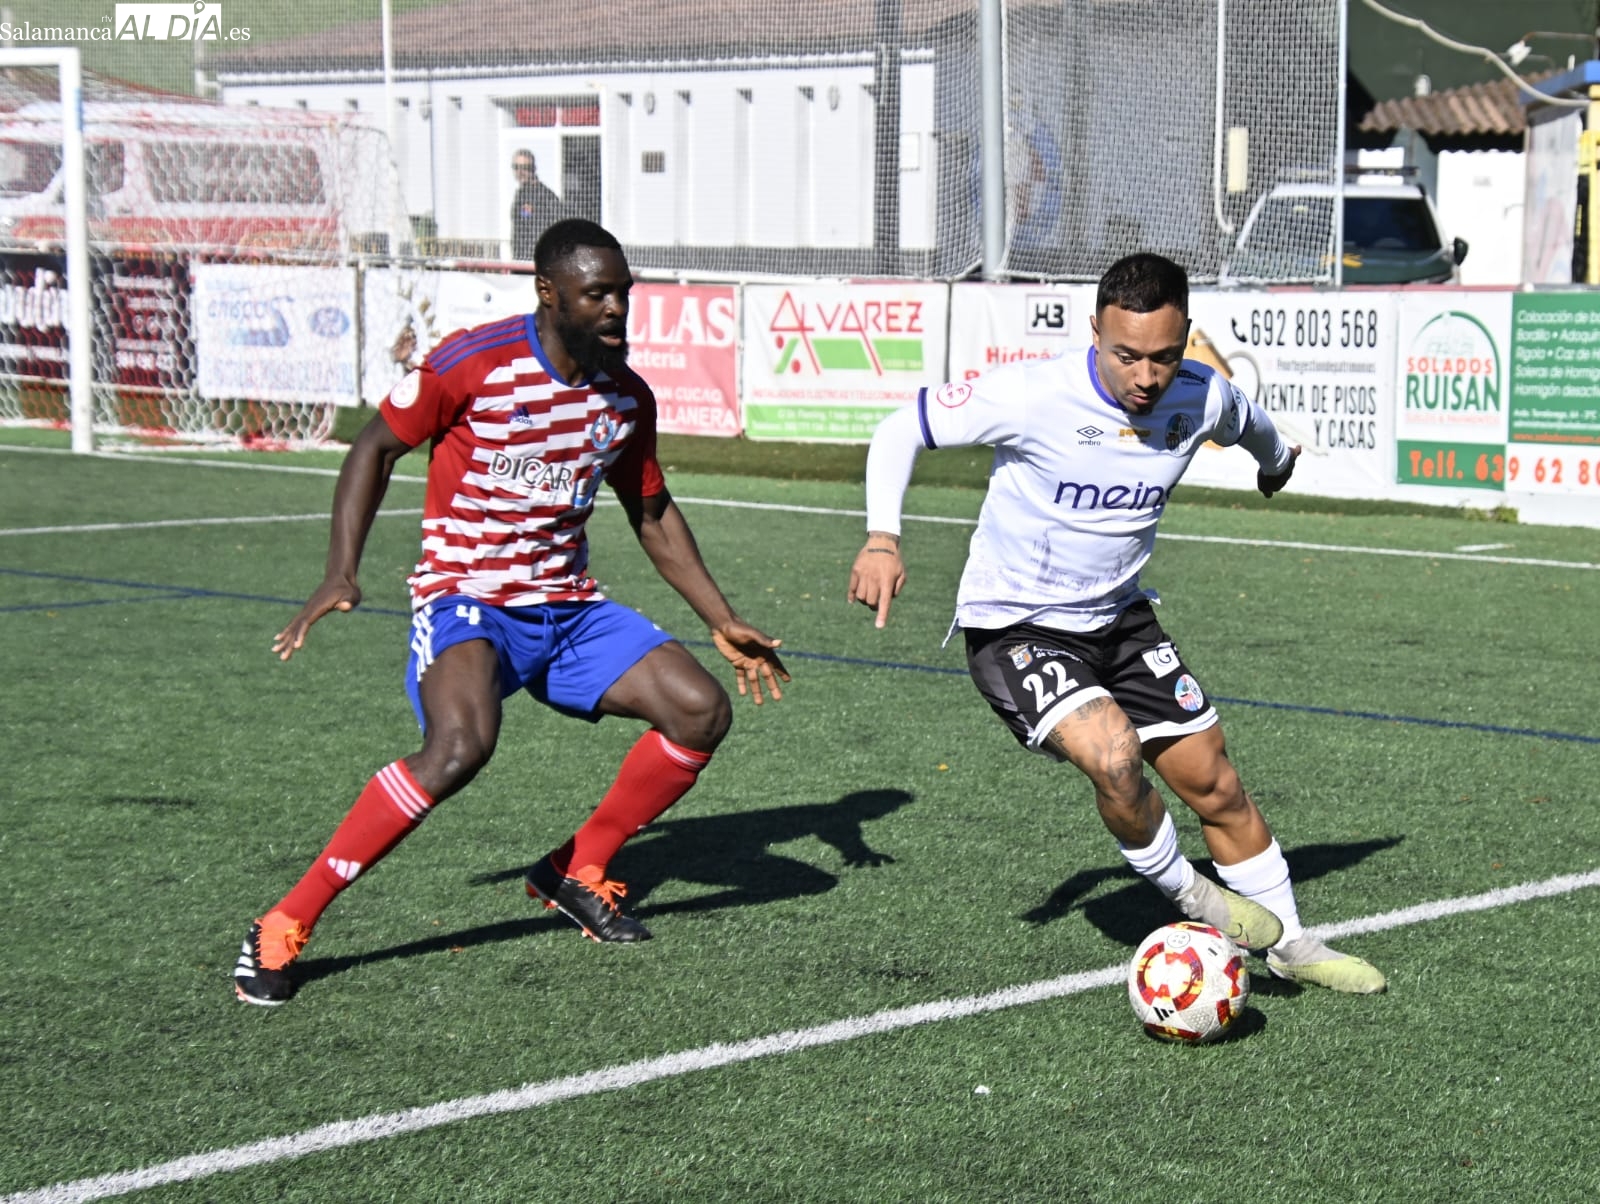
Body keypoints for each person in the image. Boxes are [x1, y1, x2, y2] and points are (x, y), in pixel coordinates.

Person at [234, 218, 790, 1006]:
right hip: (468, 598)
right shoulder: (474, 361)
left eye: (622, 293)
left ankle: (577, 868)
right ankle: (285, 920)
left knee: (700, 711)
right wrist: (340, 571)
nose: (614, 309)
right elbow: (373, 450)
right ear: (548, 291)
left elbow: (651, 508)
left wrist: (719, 615)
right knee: (460, 746)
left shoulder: (625, 397)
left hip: (568, 609)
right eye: (596, 292)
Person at [846, 252, 1385, 995]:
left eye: (1163, 357)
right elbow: (897, 430)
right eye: (1127, 354)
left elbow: (1260, 431)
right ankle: (1199, 901)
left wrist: (1274, 466)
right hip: (1017, 625)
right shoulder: (1034, 395)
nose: (1145, 376)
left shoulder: (1200, 396)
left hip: (1121, 621)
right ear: (1095, 330)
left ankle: (1291, 942)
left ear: (1185, 340)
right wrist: (882, 538)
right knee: (1113, 754)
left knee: (1216, 784)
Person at [509, 151, 565, 261]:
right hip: (519, 258)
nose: (520, 172)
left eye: (525, 167)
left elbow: (559, 227)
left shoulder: (545, 195)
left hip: (538, 260)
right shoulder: (520, 194)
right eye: (516, 167)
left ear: (533, 169)